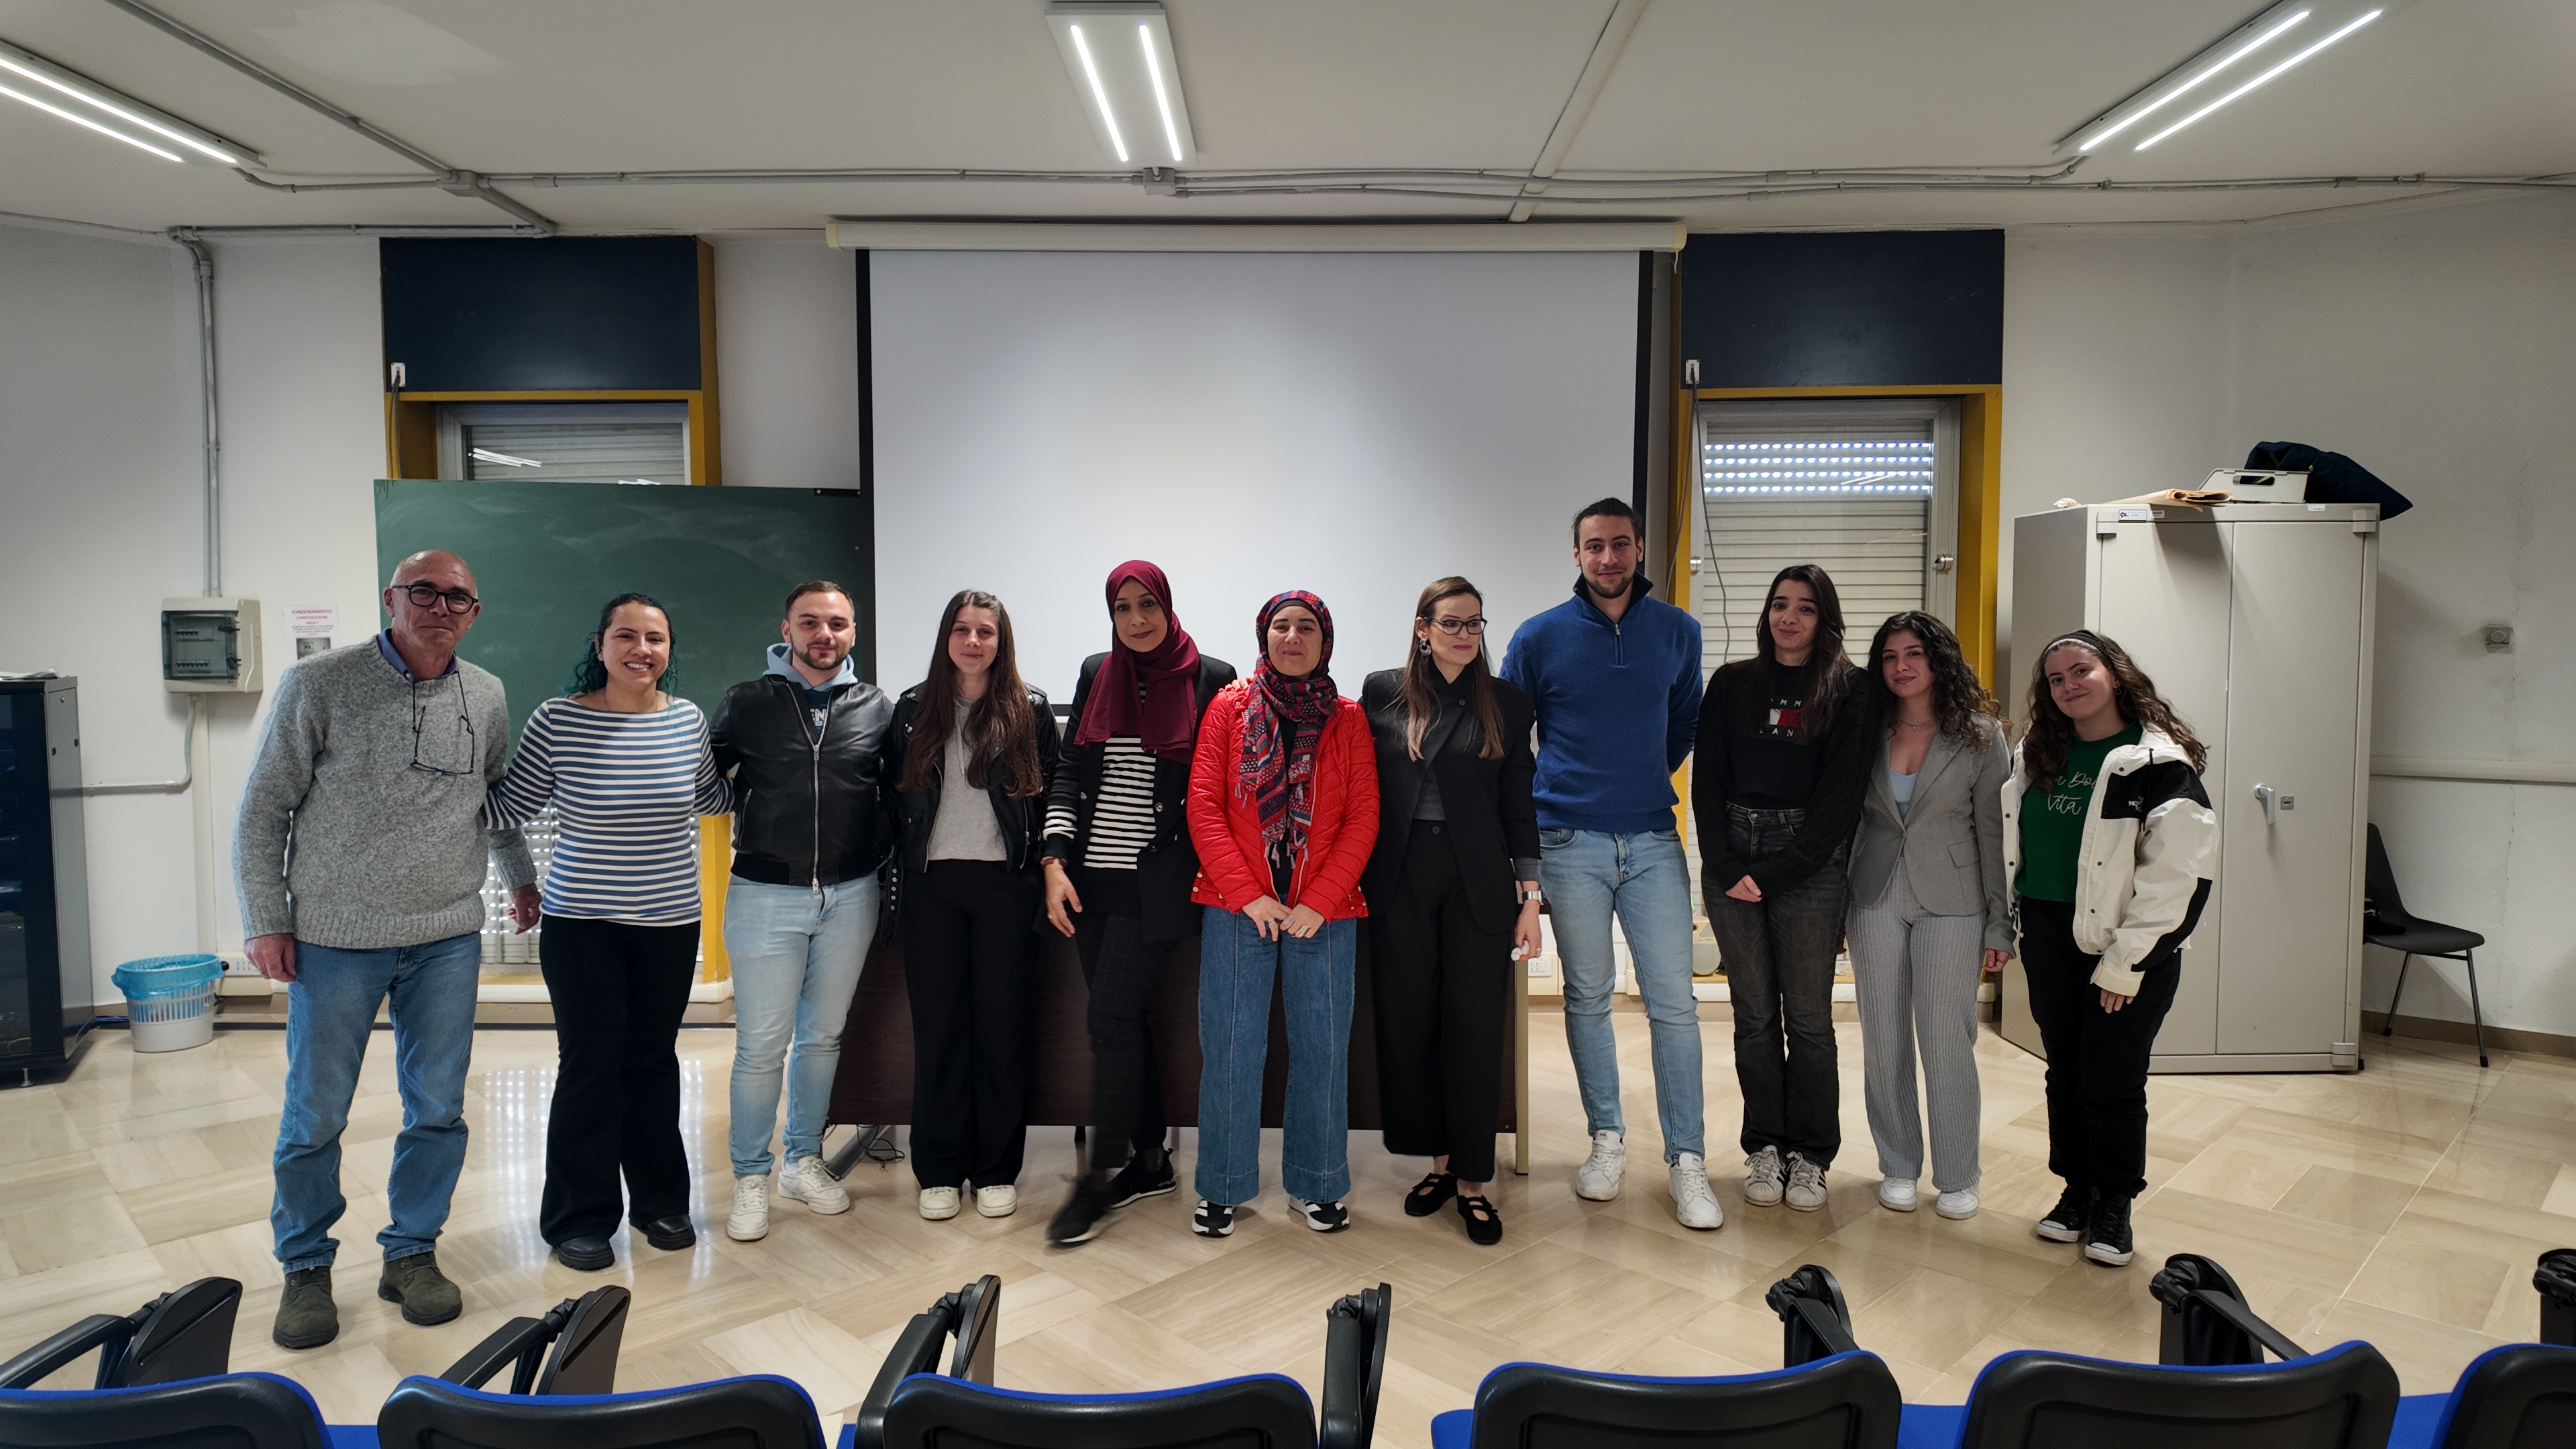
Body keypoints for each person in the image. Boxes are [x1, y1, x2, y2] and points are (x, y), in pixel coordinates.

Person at [235, 549, 537, 1351]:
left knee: (438, 1109)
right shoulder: (319, 685)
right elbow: (264, 811)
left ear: (475, 612)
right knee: (316, 1112)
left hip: (446, 935)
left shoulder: (487, 692)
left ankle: (411, 1253)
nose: (440, 606)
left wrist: (521, 879)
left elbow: (495, 796)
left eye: (458, 597)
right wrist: (267, 918)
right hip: (335, 937)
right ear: (391, 599)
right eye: (424, 592)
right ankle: (305, 1266)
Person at [483, 593, 730, 1270]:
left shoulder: (687, 721)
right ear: (600, 646)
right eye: (627, 636)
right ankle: (579, 1220)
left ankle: (661, 1206)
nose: (641, 650)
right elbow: (509, 808)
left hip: (671, 923)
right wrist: (519, 879)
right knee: (590, 1067)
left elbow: (711, 797)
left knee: (651, 1063)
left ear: (669, 651)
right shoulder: (558, 720)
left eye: (655, 638)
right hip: (582, 923)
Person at [1499, 498, 1715, 1230]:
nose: (1609, 558)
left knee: (1674, 1006)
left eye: (1620, 544)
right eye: (1595, 546)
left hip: (1654, 839)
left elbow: (1684, 718)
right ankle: (1608, 1140)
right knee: (1587, 997)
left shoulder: (1678, 632)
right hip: (1568, 843)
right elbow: (1508, 735)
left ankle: (1687, 1159)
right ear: (1576, 555)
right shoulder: (1538, 638)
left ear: (1639, 548)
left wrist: (1644, 776)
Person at [2004, 629, 2214, 1267]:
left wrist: (2127, 965)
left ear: (2115, 675)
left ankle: (2115, 1204)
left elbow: (2177, 879)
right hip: (2048, 937)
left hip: (2123, 951)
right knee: (2064, 1072)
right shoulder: (2036, 754)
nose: (2069, 686)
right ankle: (2076, 1191)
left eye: (2081, 671)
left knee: (2113, 1080)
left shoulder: (2157, 763)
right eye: (2056, 680)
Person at [1042, 562, 1236, 1246]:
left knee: (1108, 1017)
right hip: (1090, 879)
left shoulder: (1213, 677)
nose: (1136, 619)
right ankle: (1151, 1160)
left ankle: (1097, 1179)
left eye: (1146, 604)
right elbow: (1070, 769)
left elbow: (1219, 786)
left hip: (1157, 884)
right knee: (1122, 1023)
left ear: (1167, 606)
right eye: (1122, 607)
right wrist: (1054, 858)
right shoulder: (1099, 671)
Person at [1187, 591, 1379, 1237]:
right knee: (1232, 1049)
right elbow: (1205, 808)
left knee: (1323, 1051)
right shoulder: (1228, 707)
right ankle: (1222, 1186)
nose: (1291, 637)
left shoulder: (1348, 717)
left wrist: (1319, 902)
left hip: (1325, 914)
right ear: (1263, 636)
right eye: (1280, 627)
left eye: (1305, 628)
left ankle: (1318, 1183)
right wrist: (1251, 895)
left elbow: (1363, 817)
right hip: (1238, 907)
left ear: (1325, 641)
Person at [711, 581, 895, 1242]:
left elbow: (894, 796)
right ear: (785, 629)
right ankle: (751, 1176)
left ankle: (803, 1160)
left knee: (822, 1037)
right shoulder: (747, 702)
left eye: (838, 624)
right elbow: (710, 785)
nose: (825, 635)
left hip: (851, 894)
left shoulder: (876, 706)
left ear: (853, 633)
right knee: (761, 1046)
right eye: (810, 622)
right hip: (765, 894)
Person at [1360, 578, 1540, 1247]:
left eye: (1474, 624)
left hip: (1480, 882)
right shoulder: (1382, 691)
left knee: (1473, 1026)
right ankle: (1437, 1162)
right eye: (1452, 623)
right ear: (1422, 628)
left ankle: (1472, 1179)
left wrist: (1531, 900)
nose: (1465, 634)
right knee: (1411, 1025)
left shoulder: (1507, 703)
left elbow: (1519, 805)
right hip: (1400, 878)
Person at [1693, 564, 1875, 1214]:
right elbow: (1707, 780)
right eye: (1779, 605)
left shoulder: (1852, 689)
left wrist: (1772, 875)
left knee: (1809, 1018)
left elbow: (1840, 801)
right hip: (1733, 853)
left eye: (1804, 608)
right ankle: (1764, 1147)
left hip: (1809, 862)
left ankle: (1812, 1156)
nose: (1788, 618)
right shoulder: (1733, 682)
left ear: (1825, 619)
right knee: (1754, 1018)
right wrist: (1721, 865)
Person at [889, 590, 1061, 1222]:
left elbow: (1048, 802)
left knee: (1000, 1032)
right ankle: (937, 1171)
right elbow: (892, 800)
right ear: (946, 638)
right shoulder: (912, 710)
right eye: (961, 630)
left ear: (1000, 641)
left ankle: (994, 1170)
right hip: (931, 889)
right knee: (939, 1033)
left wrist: (1048, 871)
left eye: (984, 632)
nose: (972, 642)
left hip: (1005, 891)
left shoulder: (1030, 710)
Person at [1844, 610, 2011, 1221]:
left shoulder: (1980, 735)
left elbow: (1996, 834)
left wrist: (2000, 924)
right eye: (1889, 657)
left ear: (1938, 659)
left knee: (1947, 1037)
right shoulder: (1866, 729)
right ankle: (1898, 1165)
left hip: (1955, 902)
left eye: (1913, 653)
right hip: (1875, 895)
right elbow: (1851, 822)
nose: (1901, 667)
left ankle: (1960, 1172)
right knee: (1883, 1035)